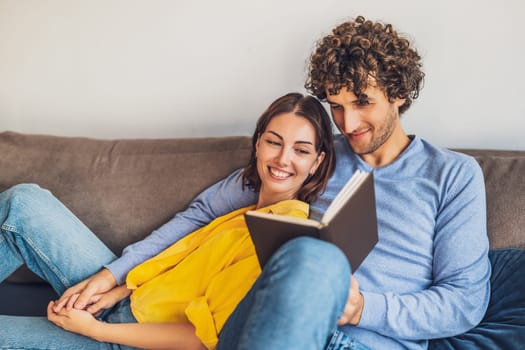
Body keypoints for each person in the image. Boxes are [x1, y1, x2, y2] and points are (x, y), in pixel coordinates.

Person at [62, 15, 489, 349]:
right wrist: (114, 272)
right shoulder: (310, 154)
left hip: (364, 341)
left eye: (362, 103)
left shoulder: (452, 174)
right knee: (311, 255)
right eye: (336, 106)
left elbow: (464, 303)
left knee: (319, 261)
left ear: (399, 93)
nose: (348, 123)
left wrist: (362, 308)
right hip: (268, 322)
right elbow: (206, 211)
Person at [0, 92, 335, 349]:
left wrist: (96, 330)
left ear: (317, 162)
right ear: (258, 143)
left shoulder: (282, 232)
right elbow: (179, 268)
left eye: (301, 151)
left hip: (127, 339)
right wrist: (116, 288)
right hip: (124, 300)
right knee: (24, 202)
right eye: (274, 142)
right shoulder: (244, 206)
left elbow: (201, 339)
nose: (282, 159)